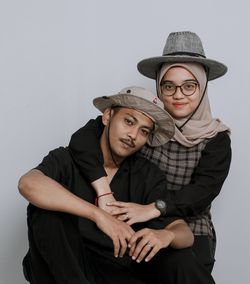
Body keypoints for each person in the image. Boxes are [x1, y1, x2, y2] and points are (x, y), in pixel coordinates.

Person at [68, 31, 232, 274]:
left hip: (190, 231)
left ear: (203, 86)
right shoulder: (146, 123)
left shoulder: (216, 139)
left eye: (189, 86)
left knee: (185, 269)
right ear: (159, 86)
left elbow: (201, 193)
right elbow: (83, 139)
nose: (178, 95)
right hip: (135, 225)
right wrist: (103, 192)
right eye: (169, 86)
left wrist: (154, 208)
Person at [18, 86, 215, 284]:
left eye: (144, 131)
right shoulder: (68, 159)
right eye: (128, 122)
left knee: (181, 258)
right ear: (107, 116)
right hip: (61, 267)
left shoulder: (147, 174)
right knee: (46, 213)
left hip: (114, 270)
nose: (133, 135)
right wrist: (99, 215)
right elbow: (28, 183)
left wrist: (167, 235)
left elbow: (185, 233)